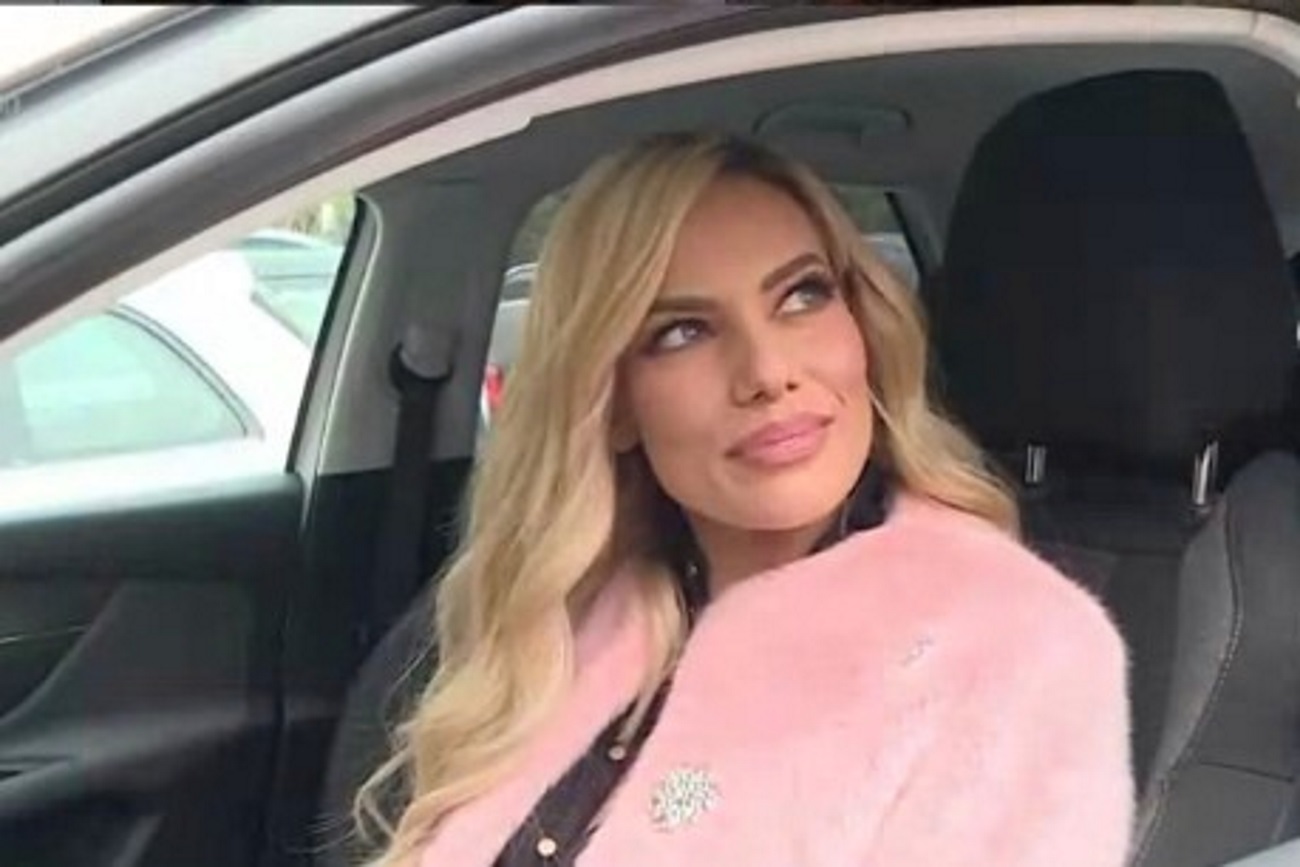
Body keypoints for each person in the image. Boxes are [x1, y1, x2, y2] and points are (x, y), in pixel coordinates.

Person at [354, 132, 1134, 867]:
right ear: (613, 403)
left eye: (801, 295)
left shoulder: (1013, 648)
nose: (767, 371)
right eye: (682, 332)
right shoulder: (571, 615)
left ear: (863, 326)